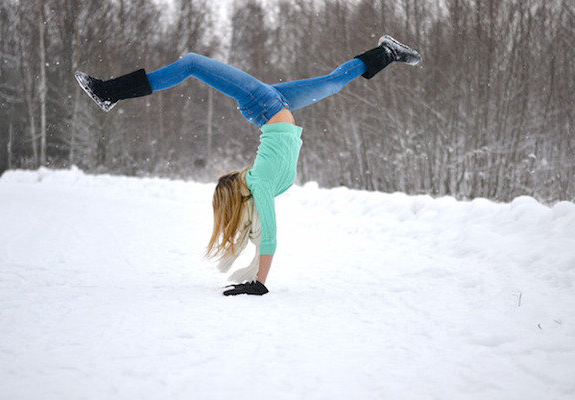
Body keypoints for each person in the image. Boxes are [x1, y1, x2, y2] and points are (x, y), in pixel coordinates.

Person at [75, 35, 422, 296]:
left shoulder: (263, 186)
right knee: (195, 62)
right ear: (237, 189)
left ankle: (386, 51)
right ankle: (110, 92)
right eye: (230, 178)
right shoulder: (261, 187)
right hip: (269, 105)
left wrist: (259, 279)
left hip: (268, 109)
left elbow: (265, 235)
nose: (235, 172)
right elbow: (267, 236)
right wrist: (259, 282)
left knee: (328, 83)